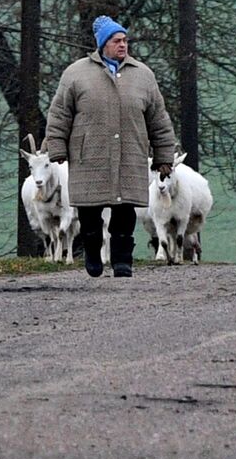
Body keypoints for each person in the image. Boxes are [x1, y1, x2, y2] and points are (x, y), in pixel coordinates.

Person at [45, 15, 176, 277]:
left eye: (125, 40)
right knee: (90, 213)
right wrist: (56, 148)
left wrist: (164, 156)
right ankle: (92, 251)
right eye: (117, 40)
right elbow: (59, 114)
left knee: (125, 212)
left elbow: (159, 119)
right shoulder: (75, 74)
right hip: (89, 155)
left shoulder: (143, 75)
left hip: (130, 153)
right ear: (103, 44)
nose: (123, 45)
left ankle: (122, 260)